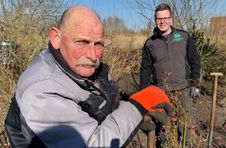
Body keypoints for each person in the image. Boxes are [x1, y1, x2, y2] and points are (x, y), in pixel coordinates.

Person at [4, 5, 172, 147]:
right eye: (81, 42)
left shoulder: (73, 66)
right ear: (56, 37)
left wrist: (131, 118)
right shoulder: (42, 90)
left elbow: (97, 106)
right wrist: (136, 106)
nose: (92, 55)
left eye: (98, 44)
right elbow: (93, 143)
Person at [140, 3, 201, 146]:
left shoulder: (185, 37)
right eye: (159, 18)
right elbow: (145, 69)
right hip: (161, 92)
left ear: (171, 19)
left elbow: (195, 61)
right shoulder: (150, 43)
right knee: (164, 127)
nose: (162, 21)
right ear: (155, 20)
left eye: (166, 18)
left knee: (185, 125)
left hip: (183, 89)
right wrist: (145, 92)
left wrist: (195, 83)